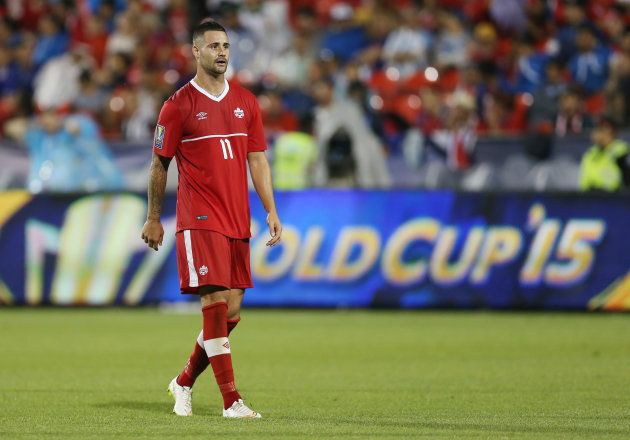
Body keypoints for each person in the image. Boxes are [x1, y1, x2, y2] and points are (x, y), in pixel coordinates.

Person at [140, 19, 282, 419]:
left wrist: (270, 209)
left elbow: (257, 159)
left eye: (226, 45)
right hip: (199, 217)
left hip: (237, 217)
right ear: (196, 51)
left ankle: (184, 381)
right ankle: (231, 400)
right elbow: (158, 163)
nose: (222, 52)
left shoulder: (246, 102)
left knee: (233, 309)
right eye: (213, 45)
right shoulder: (178, 104)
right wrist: (153, 217)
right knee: (215, 301)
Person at [580, 117, 630, 191]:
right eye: (598, 129)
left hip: (616, 197)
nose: (598, 133)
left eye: (603, 130)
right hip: (590, 197)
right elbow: (583, 182)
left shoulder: (623, 151)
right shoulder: (590, 154)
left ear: (613, 133)